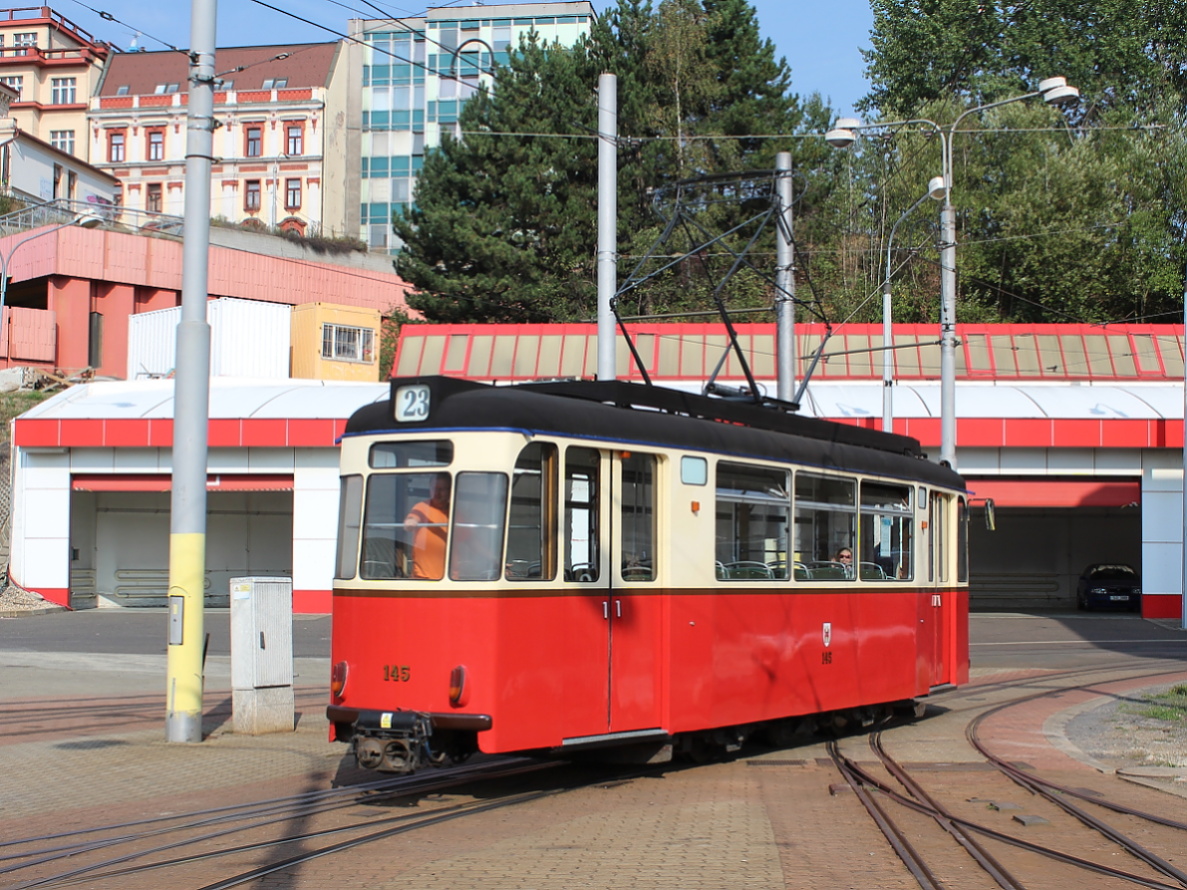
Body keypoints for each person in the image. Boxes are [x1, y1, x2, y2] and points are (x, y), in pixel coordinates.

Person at [404, 474, 450, 579]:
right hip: (423, 578)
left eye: (441, 490)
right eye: (434, 489)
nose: (437, 494)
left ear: (450, 491)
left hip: (451, 579)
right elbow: (412, 519)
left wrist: (493, 558)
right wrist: (411, 523)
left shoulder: (455, 513)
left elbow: (472, 542)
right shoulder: (422, 507)